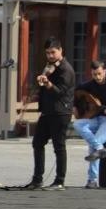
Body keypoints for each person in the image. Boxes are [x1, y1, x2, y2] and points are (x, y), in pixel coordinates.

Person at [26, 37, 75, 190]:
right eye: (47, 53)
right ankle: (37, 179)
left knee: (59, 146)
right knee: (37, 143)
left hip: (61, 112)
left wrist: (47, 83)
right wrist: (41, 84)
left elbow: (60, 92)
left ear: (60, 50)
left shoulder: (66, 69)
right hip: (47, 112)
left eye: (53, 52)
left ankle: (59, 181)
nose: (50, 56)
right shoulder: (49, 66)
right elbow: (45, 89)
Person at [72, 60, 106, 188]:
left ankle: (92, 180)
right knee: (77, 124)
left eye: (99, 74)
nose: (97, 77)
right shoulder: (89, 85)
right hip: (96, 118)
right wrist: (75, 106)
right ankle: (100, 149)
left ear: (104, 72)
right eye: (94, 74)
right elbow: (76, 92)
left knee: (94, 144)